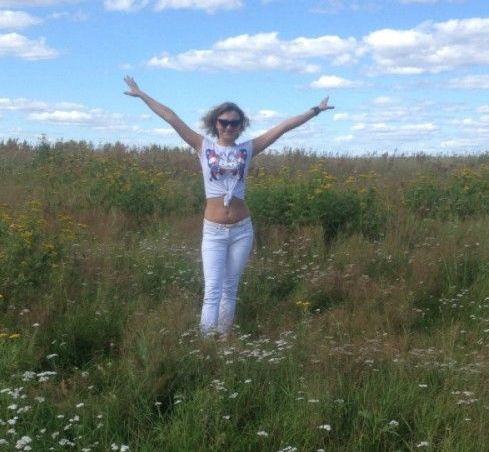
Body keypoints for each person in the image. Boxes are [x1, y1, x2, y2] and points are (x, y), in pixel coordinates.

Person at [123, 76, 333, 336]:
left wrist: (315, 111)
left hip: (242, 229)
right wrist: (142, 94)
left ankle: (224, 340)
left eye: (234, 123)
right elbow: (172, 118)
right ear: (216, 124)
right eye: (224, 122)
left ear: (240, 126)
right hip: (213, 231)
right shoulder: (203, 145)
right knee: (212, 290)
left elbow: (282, 128)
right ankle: (206, 343)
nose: (229, 127)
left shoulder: (248, 149)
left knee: (230, 288)